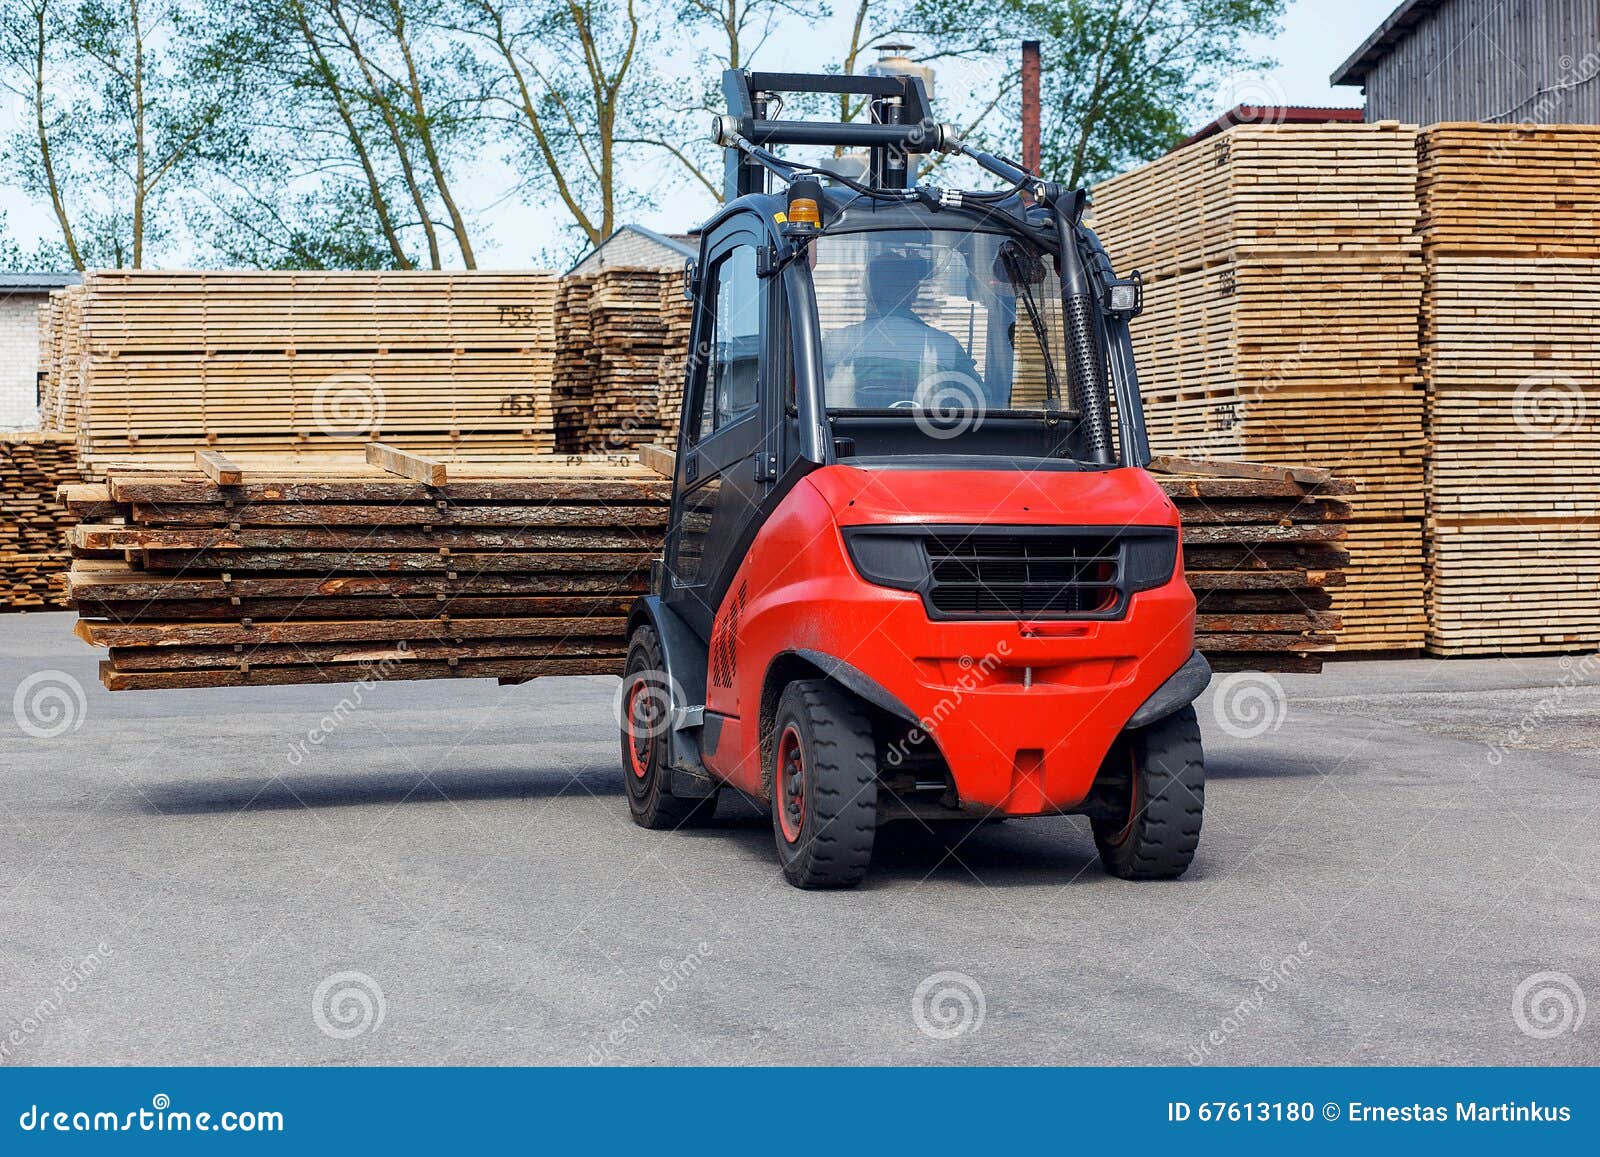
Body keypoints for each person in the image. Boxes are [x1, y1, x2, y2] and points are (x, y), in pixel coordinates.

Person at [821, 249, 981, 408]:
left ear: (867, 291)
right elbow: (983, 402)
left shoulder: (835, 344)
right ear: (915, 293)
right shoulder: (947, 348)